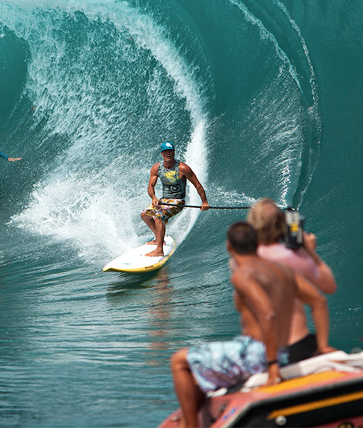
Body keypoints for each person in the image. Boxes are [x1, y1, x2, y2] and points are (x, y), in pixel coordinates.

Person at [169, 222, 334, 428]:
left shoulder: (243, 274)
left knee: (179, 361)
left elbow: (267, 315)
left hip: (260, 353)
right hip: (288, 348)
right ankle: (194, 417)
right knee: (196, 371)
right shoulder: (282, 269)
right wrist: (322, 345)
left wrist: (273, 365)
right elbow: (319, 301)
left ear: (229, 247)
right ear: (257, 244)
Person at [248, 198, 337, 364]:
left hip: (261, 352)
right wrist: (310, 253)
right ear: (280, 225)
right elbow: (329, 287)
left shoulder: (242, 261)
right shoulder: (290, 258)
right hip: (295, 347)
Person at [140, 141, 209, 257]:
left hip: (178, 202)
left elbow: (197, 185)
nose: (168, 153)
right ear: (162, 154)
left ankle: (159, 250)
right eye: (165, 151)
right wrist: (153, 198)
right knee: (144, 215)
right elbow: (150, 186)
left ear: (174, 152)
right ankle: (158, 239)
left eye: (170, 151)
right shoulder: (156, 168)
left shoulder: (182, 168)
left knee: (158, 216)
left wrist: (204, 201)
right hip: (164, 200)